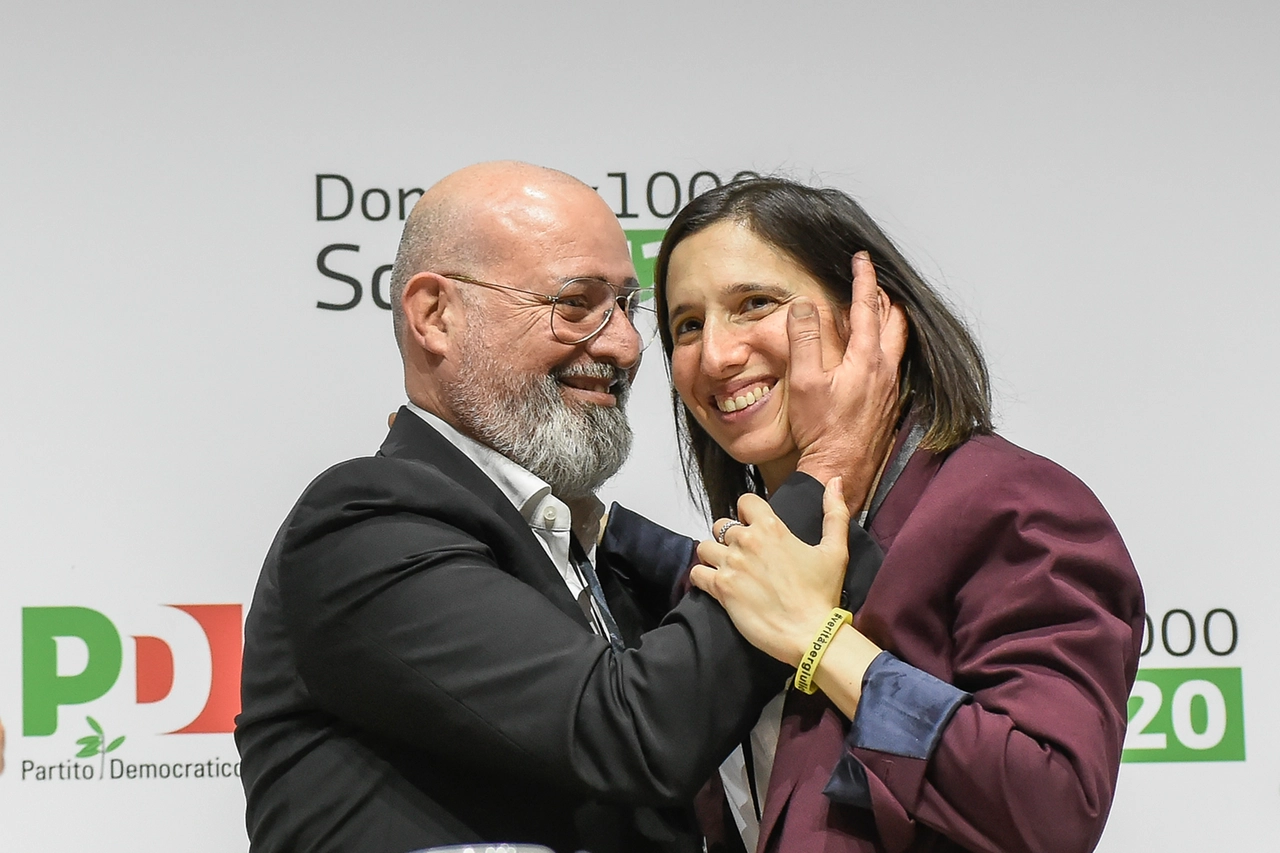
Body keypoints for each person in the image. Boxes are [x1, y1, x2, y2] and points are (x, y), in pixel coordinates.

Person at [235, 162, 906, 853]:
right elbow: (637, 729)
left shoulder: (577, 542)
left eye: (625, 306)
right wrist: (828, 464)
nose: (624, 344)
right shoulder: (363, 524)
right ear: (436, 315)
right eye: (576, 302)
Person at [637, 177, 1144, 853]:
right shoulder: (738, 562)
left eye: (754, 304)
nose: (718, 355)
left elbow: (1050, 805)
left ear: (868, 313)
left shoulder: (1013, 505)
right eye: (688, 325)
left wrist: (822, 642)